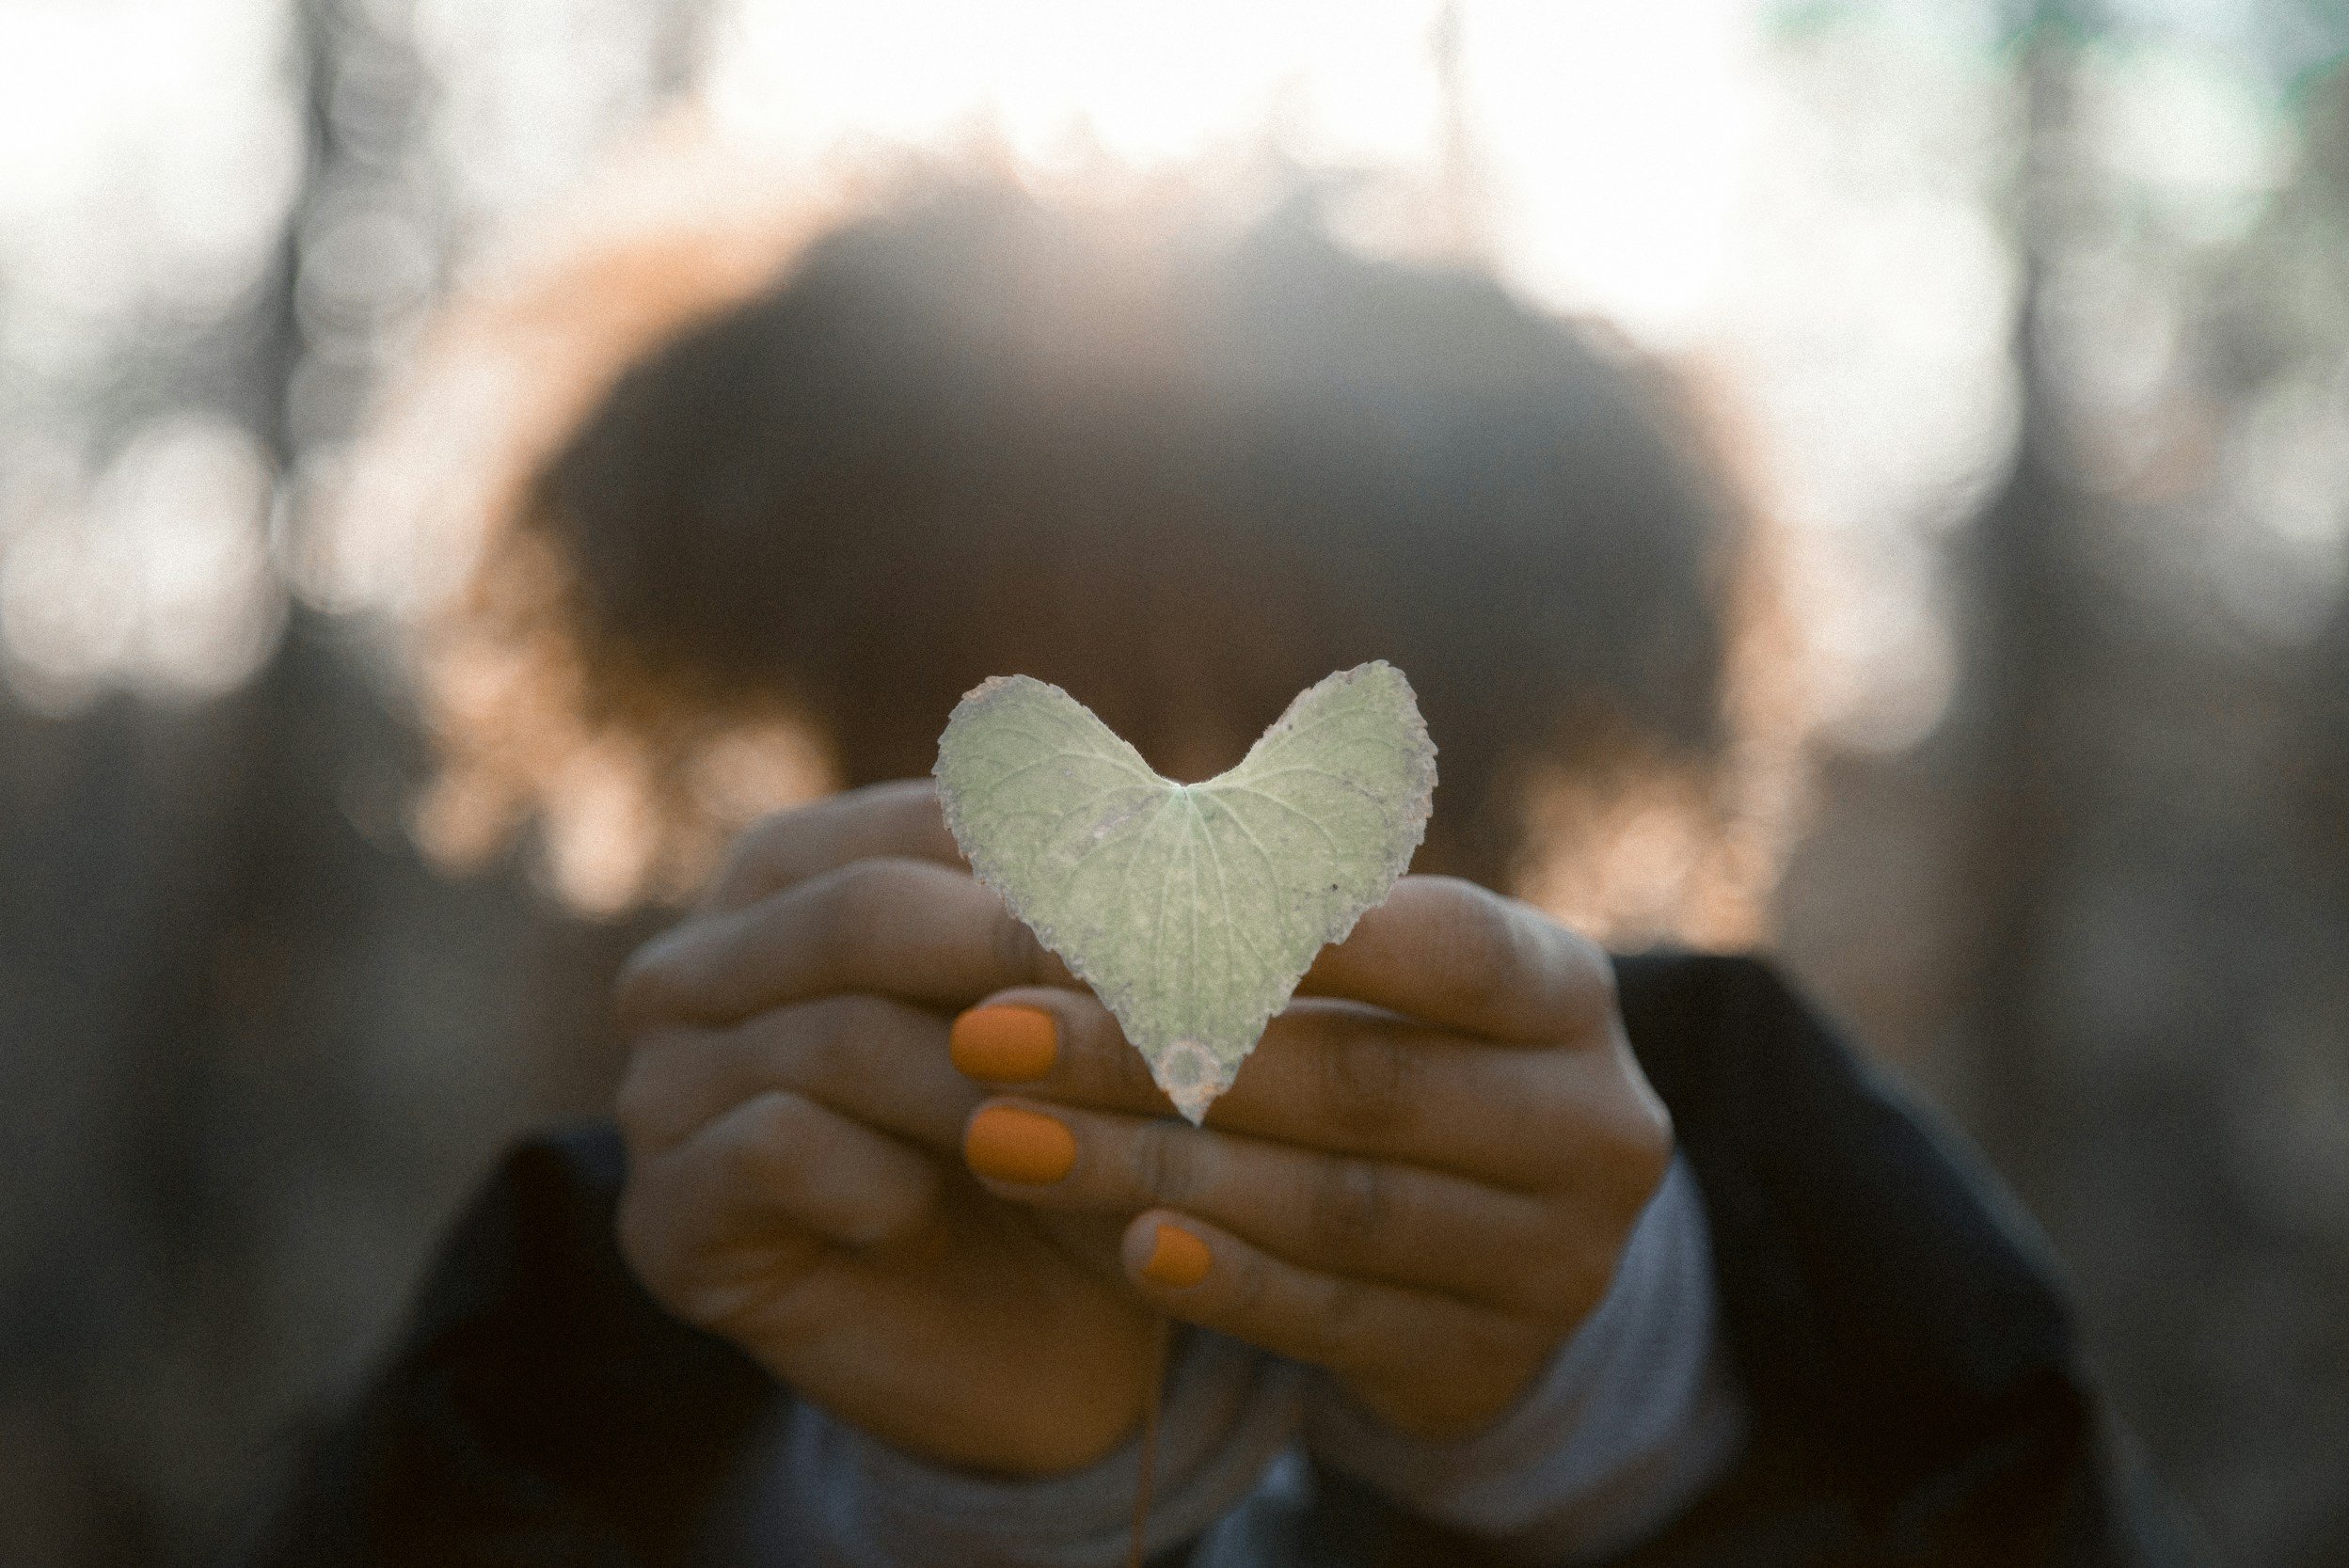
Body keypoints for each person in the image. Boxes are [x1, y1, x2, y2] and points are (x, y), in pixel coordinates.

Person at [244, 173, 2186, 1566]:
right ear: (827, 747)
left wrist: (1599, 1403)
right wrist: (930, 1508)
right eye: (1003, 702)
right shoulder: (552, 1362)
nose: (1169, 816)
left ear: (1495, 773)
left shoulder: (1819, 1301)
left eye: (1285, 713)